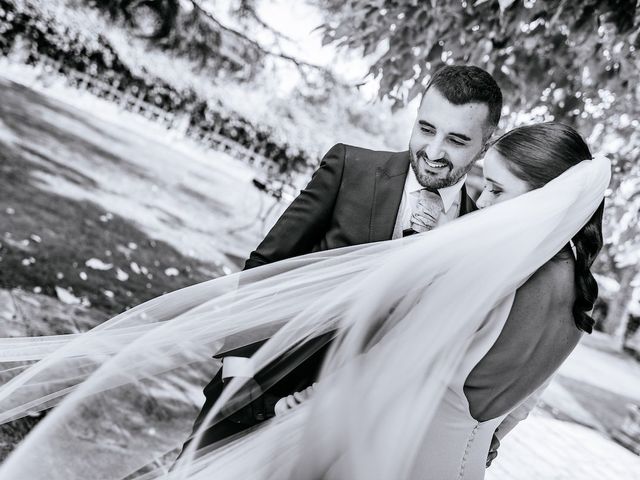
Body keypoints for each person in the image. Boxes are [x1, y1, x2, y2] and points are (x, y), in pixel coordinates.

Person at [0, 123, 610, 479]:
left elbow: (392, 367)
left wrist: (309, 398)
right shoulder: (579, 297)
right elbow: (512, 416)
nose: (480, 202)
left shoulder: (489, 275)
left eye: (498, 191)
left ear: (546, 200)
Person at [182, 64, 506, 455]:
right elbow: (267, 266)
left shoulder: (479, 233)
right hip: (258, 386)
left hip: (350, 431)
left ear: (485, 147)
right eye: (425, 129)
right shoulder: (350, 167)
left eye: (456, 140)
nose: (434, 152)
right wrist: (238, 368)